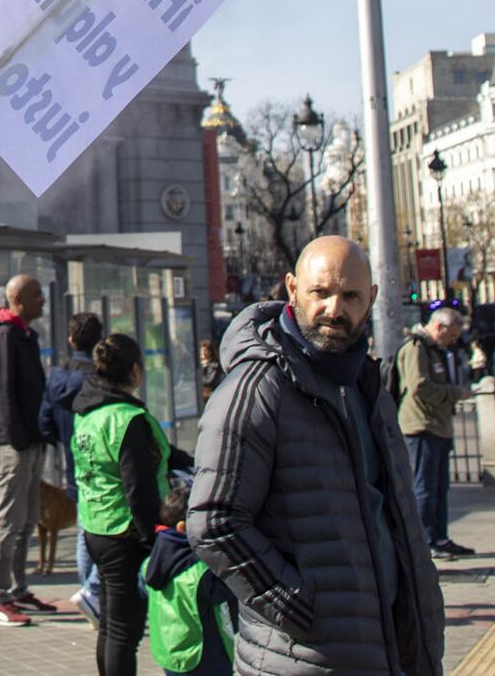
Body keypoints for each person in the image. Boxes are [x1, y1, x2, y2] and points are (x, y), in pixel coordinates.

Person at [189, 235, 445, 676]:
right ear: (292, 290)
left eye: (349, 296)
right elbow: (213, 521)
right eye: (320, 293)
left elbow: (396, 515)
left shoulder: (365, 384)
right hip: (302, 657)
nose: (334, 309)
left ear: (372, 299)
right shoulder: (257, 389)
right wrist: (296, 605)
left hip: (388, 646)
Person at [74, 332, 187, 676]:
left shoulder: (88, 411)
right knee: (125, 631)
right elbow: (137, 486)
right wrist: (152, 536)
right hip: (124, 532)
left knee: (110, 625)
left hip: (95, 525)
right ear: (135, 371)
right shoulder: (128, 419)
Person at [0, 270, 53, 626]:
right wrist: (18, 438)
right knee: (8, 520)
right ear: (17, 299)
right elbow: (0, 392)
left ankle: (19, 587)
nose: (43, 300)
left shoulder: (25, 334)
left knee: (26, 519)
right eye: (37, 295)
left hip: (31, 441)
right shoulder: (2, 335)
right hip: (12, 443)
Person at [395, 306, 477, 559]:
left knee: (440, 487)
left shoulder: (436, 351)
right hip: (421, 426)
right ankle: (425, 541)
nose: (453, 341)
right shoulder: (416, 348)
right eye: (451, 335)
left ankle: (439, 537)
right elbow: (420, 386)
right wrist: (455, 393)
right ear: (439, 327)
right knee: (425, 487)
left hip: (439, 426)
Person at [41, 310, 106, 624]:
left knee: (83, 530)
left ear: (70, 339)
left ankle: (88, 592)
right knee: (106, 531)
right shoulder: (101, 377)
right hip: (103, 464)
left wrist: (63, 442)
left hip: (73, 461)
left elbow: (44, 422)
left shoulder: (57, 377)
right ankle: (96, 595)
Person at [145, 483, 235, 676]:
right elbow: (229, 591)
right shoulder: (201, 572)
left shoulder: (150, 564)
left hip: (171, 652)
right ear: (183, 527)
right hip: (205, 655)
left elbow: (142, 589)